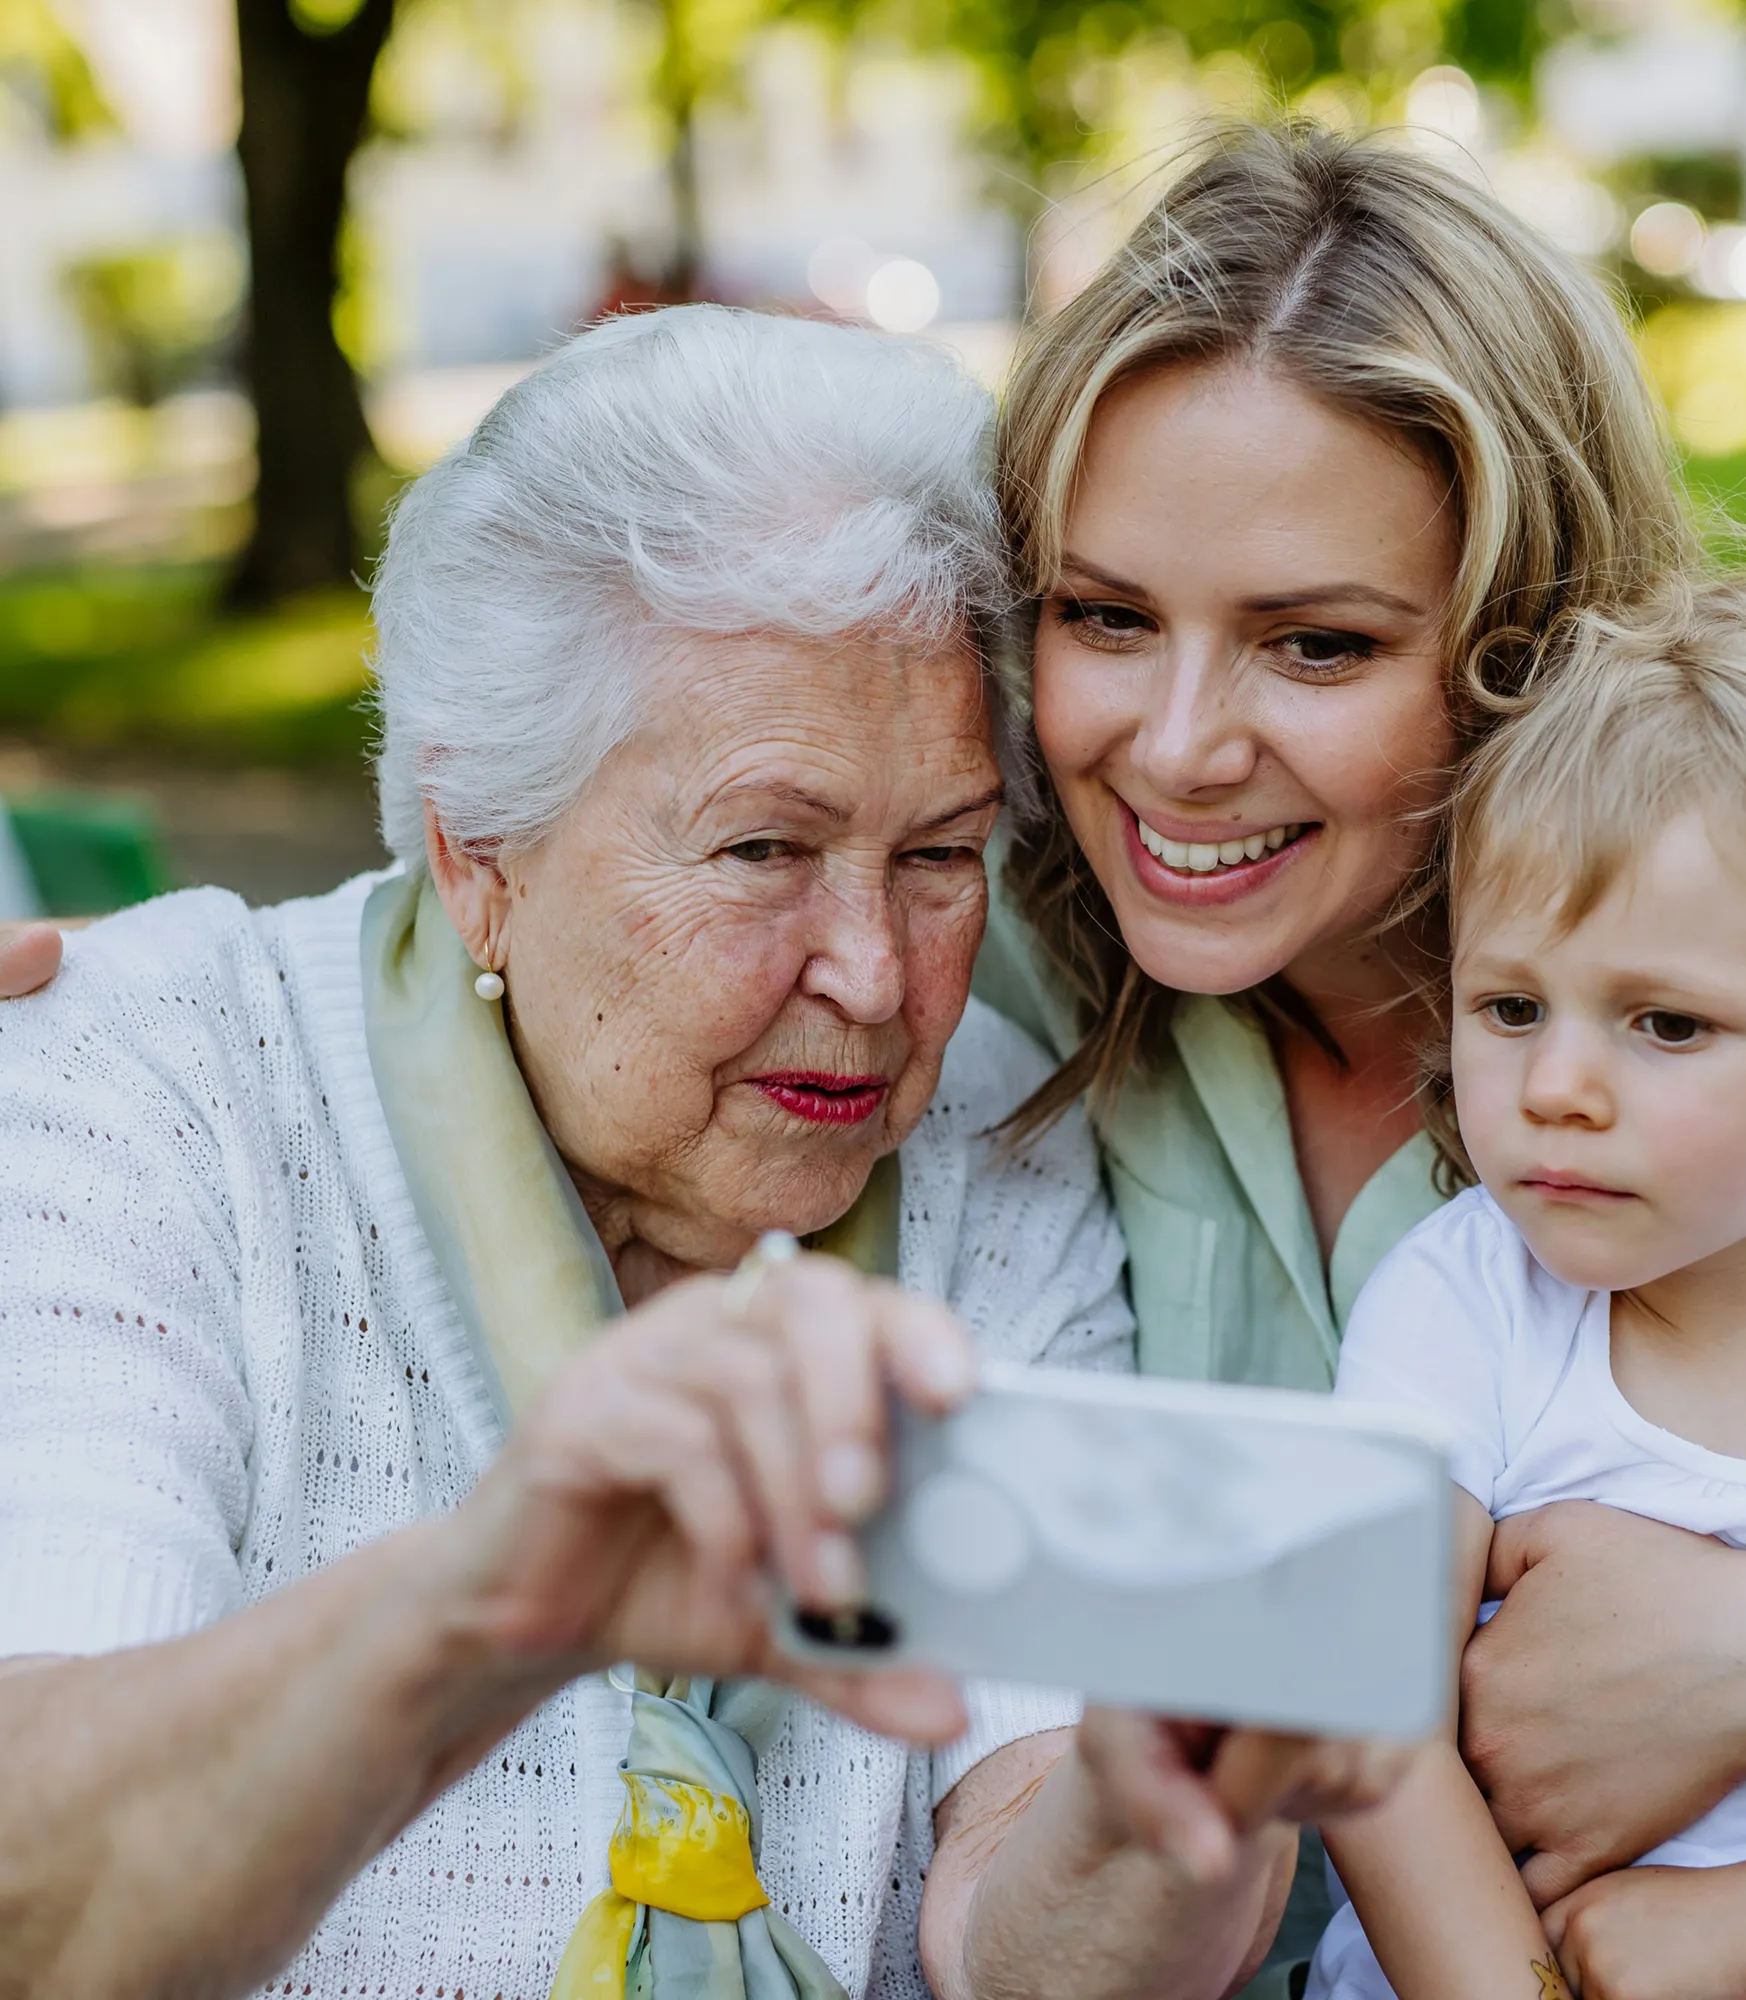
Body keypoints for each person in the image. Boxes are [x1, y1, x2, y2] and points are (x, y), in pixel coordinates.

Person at [0, 305, 1401, 2000]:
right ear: (476, 851)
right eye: (763, 848)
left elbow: (1024, 1932)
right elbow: (42, 1902)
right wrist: (485, 1609)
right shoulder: (144, 1085)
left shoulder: (982, 1140)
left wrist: (1152, 1813)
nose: (876, 978)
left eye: (943, 854)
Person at [969, 120, 1746, 1987]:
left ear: (1526, 642)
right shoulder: (994, 1017)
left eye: (1316, 646)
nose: (1179, 745)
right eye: (1105, 616)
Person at [1303, 571, 1746, 2000]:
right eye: (1510, 1008)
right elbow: (1371, 1728)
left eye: (1665, 1024)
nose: (1554, 1088)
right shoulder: (1467, 1310)